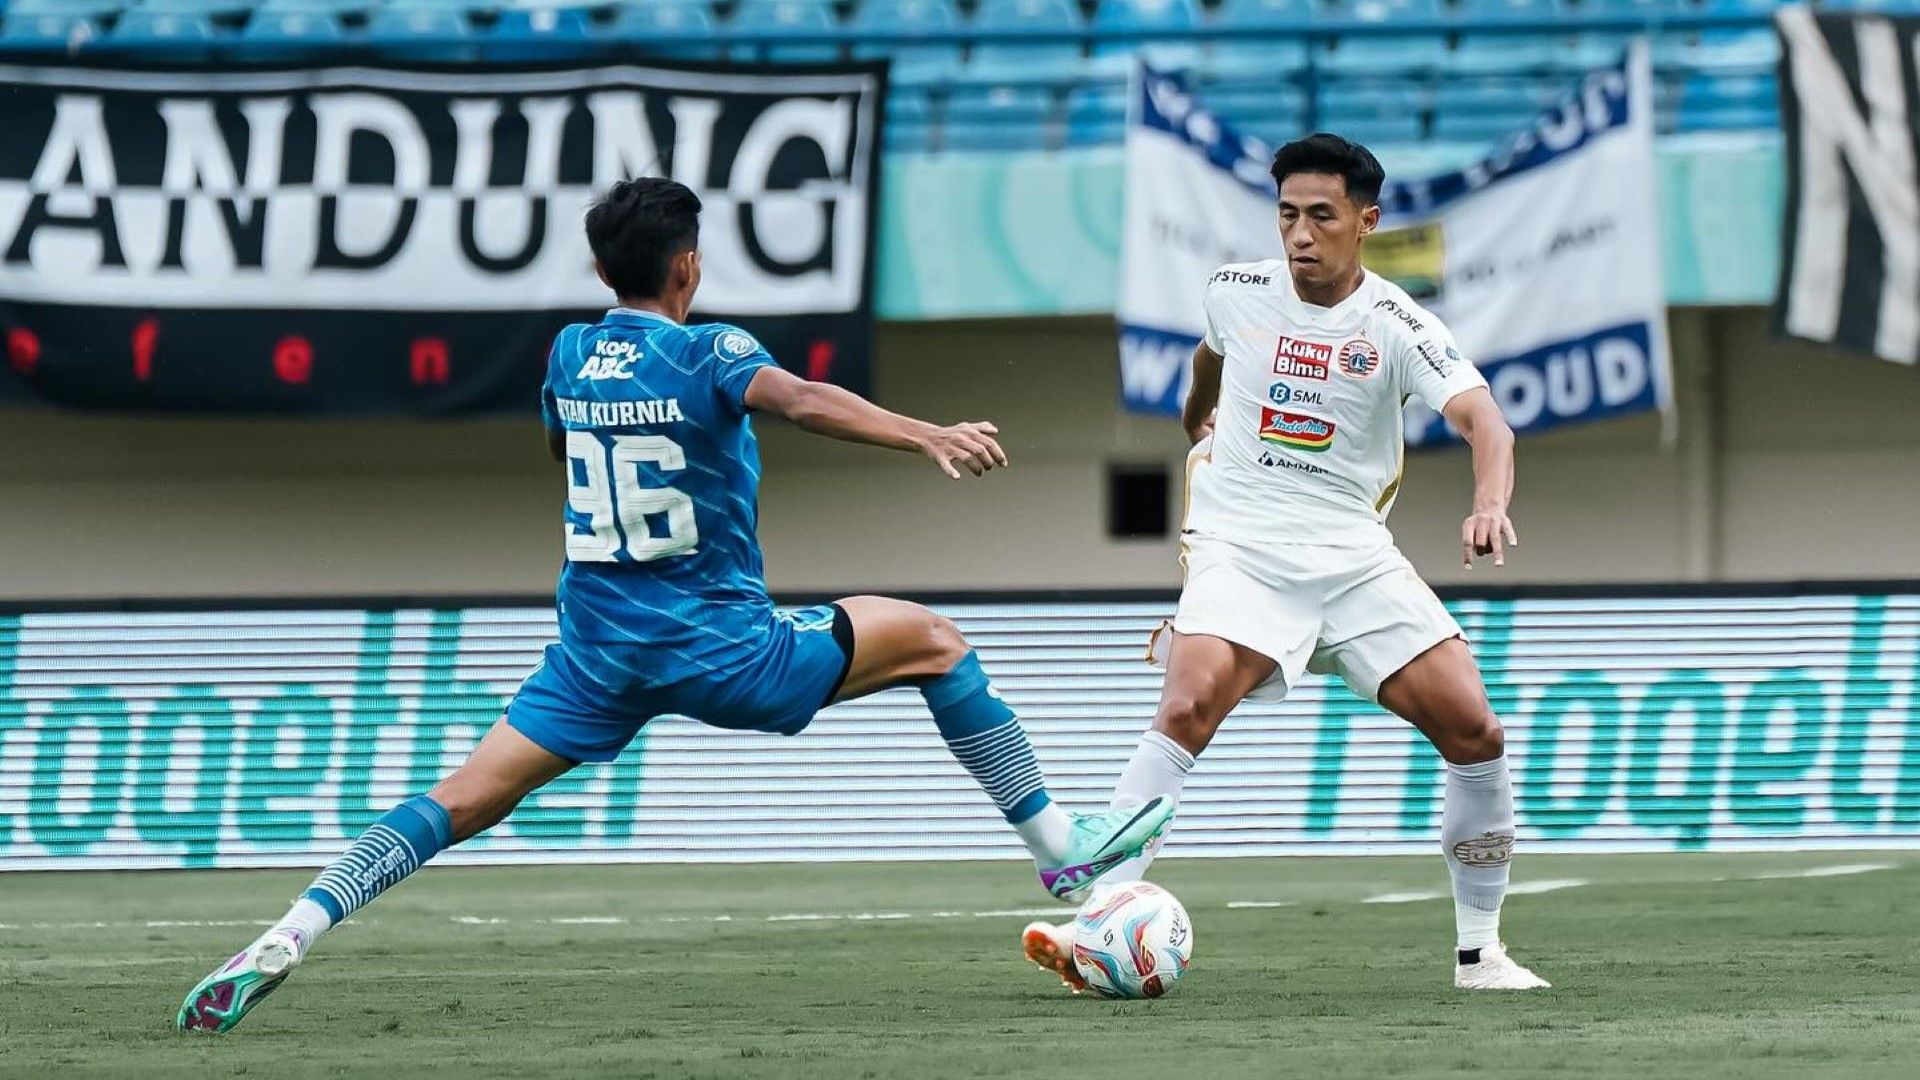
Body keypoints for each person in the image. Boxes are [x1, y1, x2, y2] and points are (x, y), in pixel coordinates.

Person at [177, 177, 1175, 1034]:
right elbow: (804, 401)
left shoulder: (567, 357)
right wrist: (927, 434)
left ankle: (289, 931)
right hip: (720, 648)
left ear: (604, 266)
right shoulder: (710, 353)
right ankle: (1058, 852)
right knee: (936, 642)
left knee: (460, 801)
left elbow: (566, 463)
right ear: (687, 269)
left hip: (596, 655)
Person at [1022, 134, 1548, 992]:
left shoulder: (1399, 325)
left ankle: (1479, 954)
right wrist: (1197, 419)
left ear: (1366, 222)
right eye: (1287, 215)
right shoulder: (1236, 290)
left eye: (1322, 217)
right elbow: (1210, 356)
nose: (1300, 235)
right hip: (1242, 545)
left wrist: (1489, 503)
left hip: (1352, 557)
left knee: (1476, 733)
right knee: (1188, 702)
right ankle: (1093, 924)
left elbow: (1487, 421)